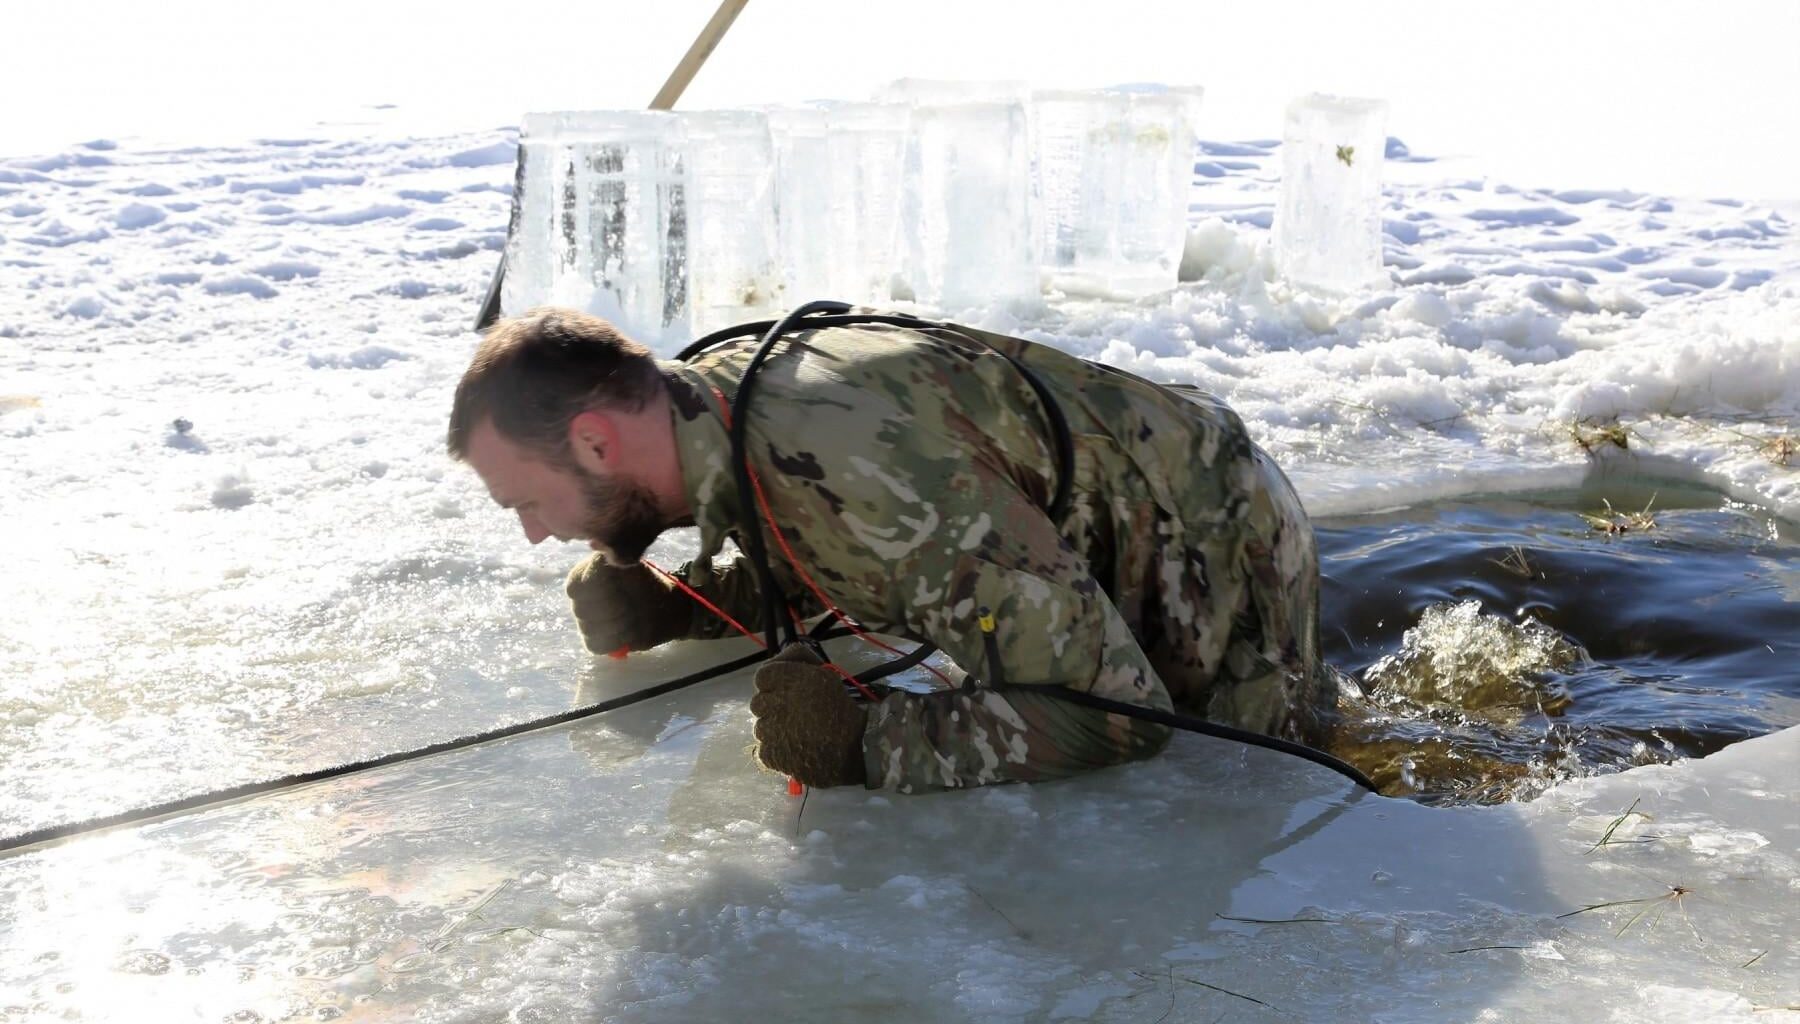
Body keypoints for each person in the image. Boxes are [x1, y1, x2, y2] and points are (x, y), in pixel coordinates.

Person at [447, 307, 1336, 794]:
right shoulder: (713, 404)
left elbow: (1114, 714)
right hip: (1117, 508)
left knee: (1256, 768)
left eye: (526, 499)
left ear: (597, 443)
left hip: (1214, 542)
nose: (534, 531)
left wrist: (868, 742)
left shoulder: (850, 463)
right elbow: (857, 557)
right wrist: (693, 600)